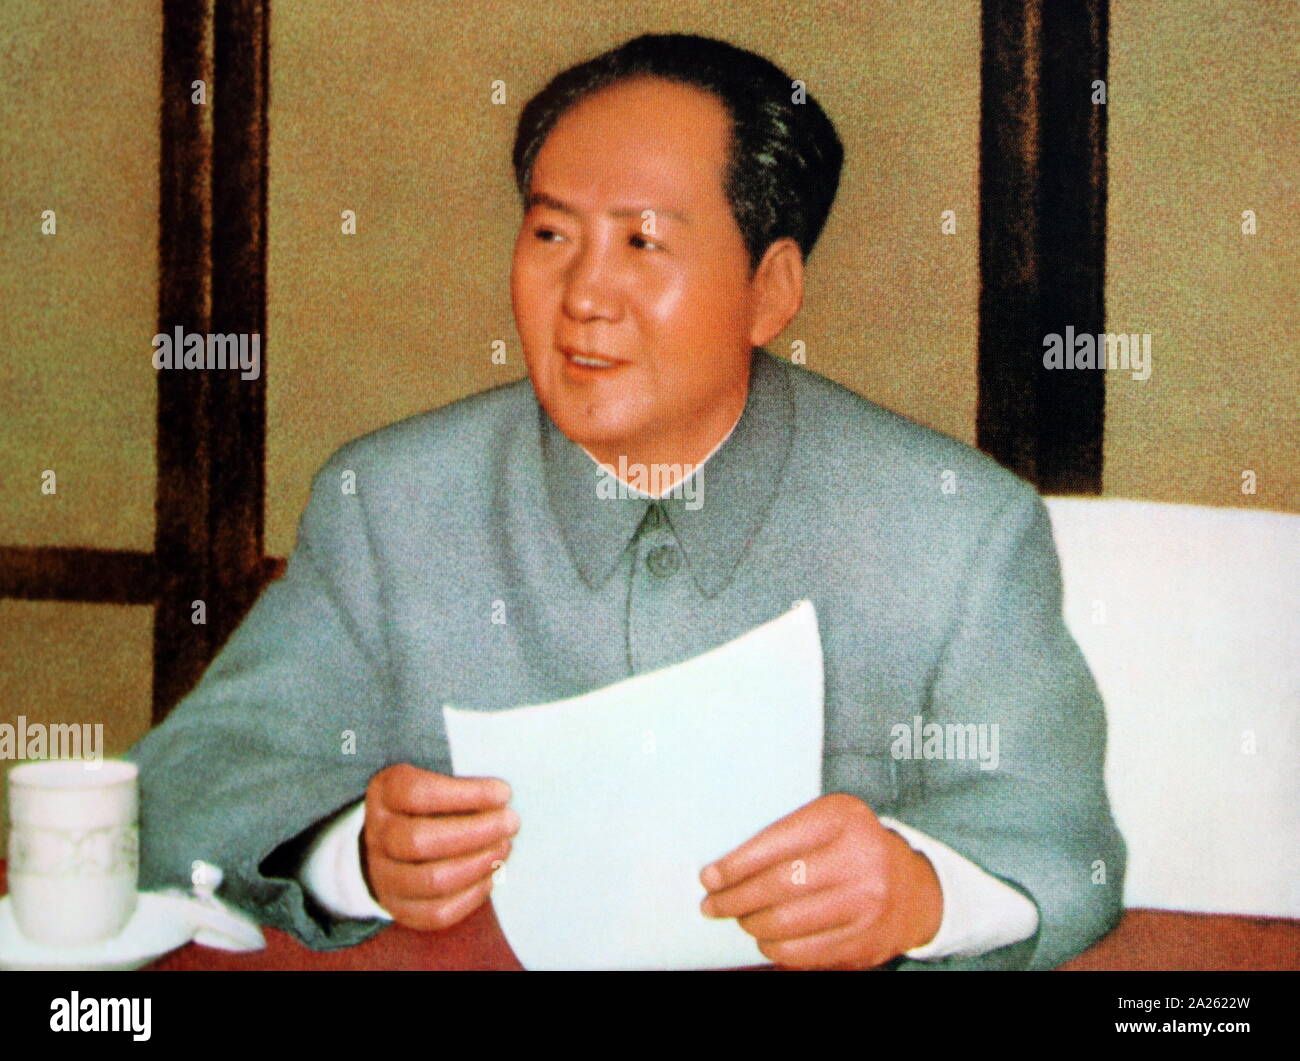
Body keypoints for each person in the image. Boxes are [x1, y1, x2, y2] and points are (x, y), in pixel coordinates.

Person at [127, 33, 1126, 971]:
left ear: (771, 289)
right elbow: (184, 785)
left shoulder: (952, 526)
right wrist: (350, 853)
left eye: (643, 243)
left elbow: (1063, 844)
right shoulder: (391, 503)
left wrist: (923, 893)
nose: (583, 295)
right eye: (550, 233)